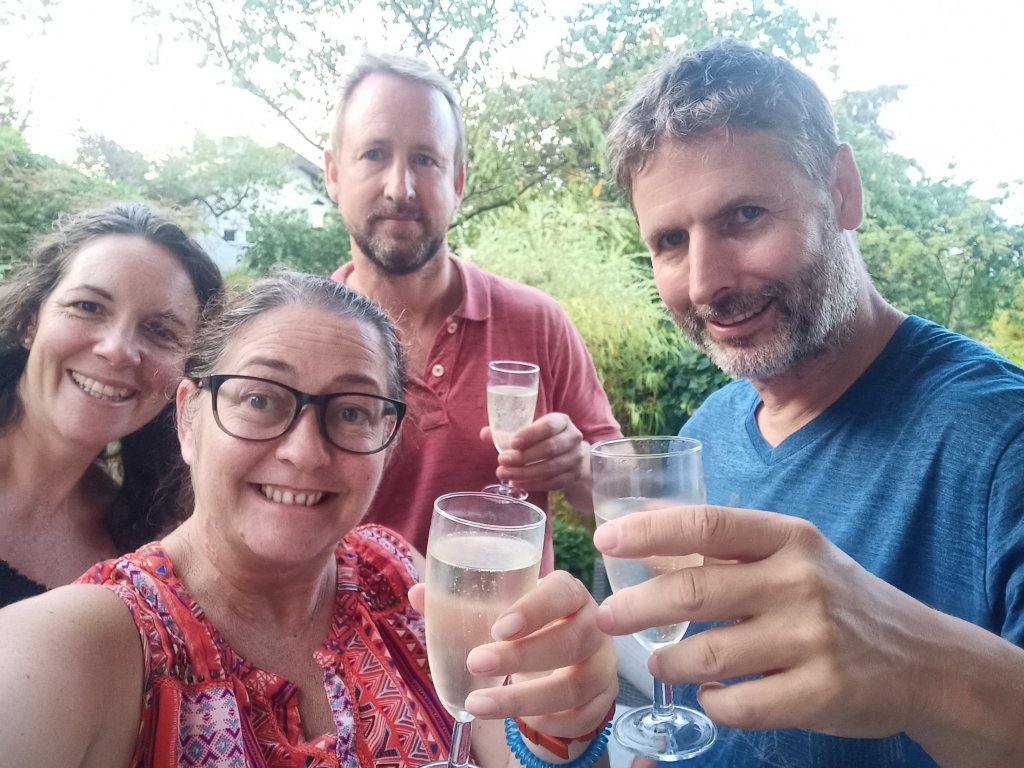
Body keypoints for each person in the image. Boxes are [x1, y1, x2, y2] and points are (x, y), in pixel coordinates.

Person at [594, 39, 1024, 767]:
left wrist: (922, 673)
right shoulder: (707, 430)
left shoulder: (1002, 440)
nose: (703, 282)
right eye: (669, 240)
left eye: (745, 215)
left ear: (843, 190)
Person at [0, 272, 619, 767]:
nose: (304, 451)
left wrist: (560, 726)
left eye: (352, 412)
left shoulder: (394, 574)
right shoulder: (86, 647)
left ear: (387, 440)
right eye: (260, 398)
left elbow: (509, 744)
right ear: (189, 419)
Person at [323, 52, 622, 573]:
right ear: (333, 174)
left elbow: (622, 498)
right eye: (374, 154)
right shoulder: (303, 340)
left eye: (425, 159)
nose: (400, 187)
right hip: (339, 627)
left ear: (458, 182)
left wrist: (577, 468)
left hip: (508, 624)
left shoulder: (537, 322)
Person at [0, 203, 222, 607]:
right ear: (31, 320)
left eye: (160, 331)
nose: (117, 350)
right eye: (88, 307)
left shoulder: (138, 554)